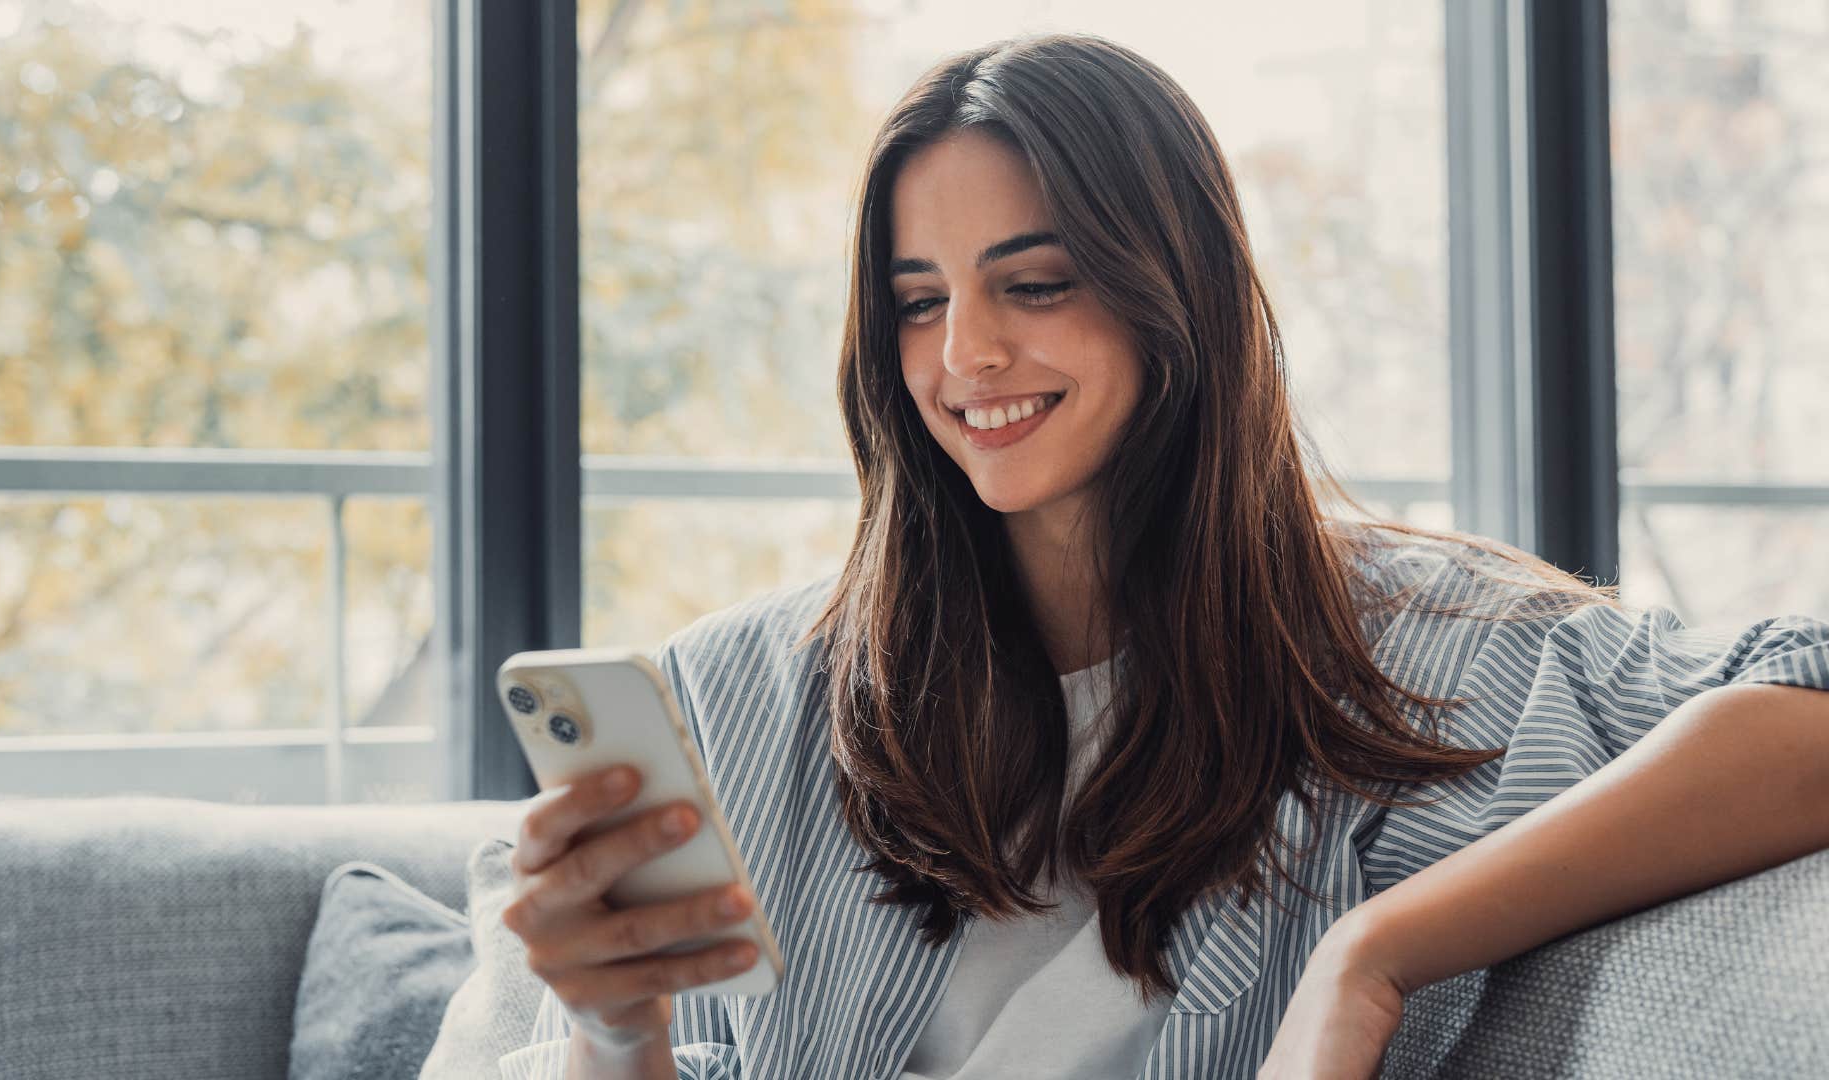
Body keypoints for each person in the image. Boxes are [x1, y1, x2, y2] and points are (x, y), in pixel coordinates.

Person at [496, 31, 1829, 1080]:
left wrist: (1372, 952)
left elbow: (1806, 706)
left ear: (1175, 290)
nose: (966, 354)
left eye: (1035, 284)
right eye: (918, 302)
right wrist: (613, 1035)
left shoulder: (1403, 652)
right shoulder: (743, 695)